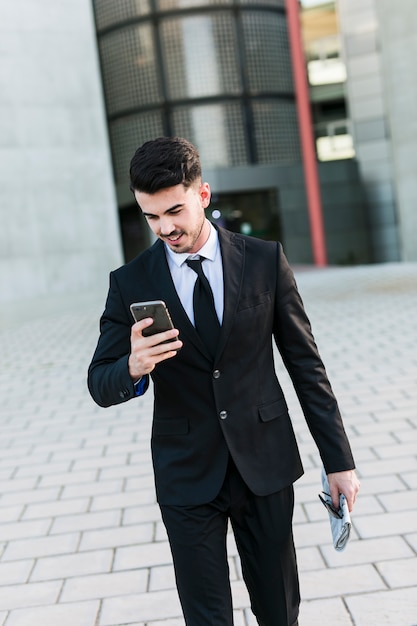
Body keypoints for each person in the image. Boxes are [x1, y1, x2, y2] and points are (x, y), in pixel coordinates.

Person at [88, 136, 360, 626]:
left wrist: (339, 461)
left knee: (279, 611)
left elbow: (306, 366)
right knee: (206, 618)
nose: (166, 228)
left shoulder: (263, 260)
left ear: (203, 195)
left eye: (175, 210)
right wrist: (132, 367)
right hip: (187, 474)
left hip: (265, 462)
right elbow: (98, 382)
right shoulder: (129, 282)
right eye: (151, 217)